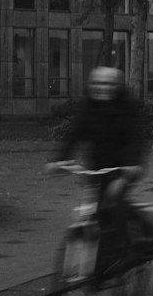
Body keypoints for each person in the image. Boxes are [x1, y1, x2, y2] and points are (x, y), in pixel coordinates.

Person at [49, 64, 147, 259]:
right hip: (97, 166)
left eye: (109, 84)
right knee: (90, 209)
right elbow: (75, 133)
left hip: (124, 166)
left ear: (118, 86)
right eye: (98, 83)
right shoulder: (89, 106)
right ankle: (96, 255)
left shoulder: (129, 106)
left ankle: (121, 252)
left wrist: (129, 168)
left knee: (112, 201)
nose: (103, 88)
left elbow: (137, 138)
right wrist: (58, 160)